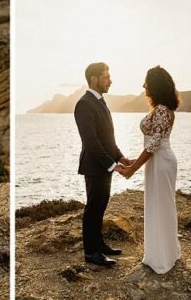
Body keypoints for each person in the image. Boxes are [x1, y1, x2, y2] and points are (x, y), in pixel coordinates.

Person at [119, 66, 182, 274]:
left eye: (146, 82)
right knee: (157, 205)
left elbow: (154, 143)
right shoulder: (160, 109)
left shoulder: (163, 109)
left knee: (162, 206)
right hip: (156, 160)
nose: (144, 86)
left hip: (161, 161)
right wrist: (134, 161)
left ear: (155, 85)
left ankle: (165, 257)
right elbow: (151, 144)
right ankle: (159, 253)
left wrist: (133, 168)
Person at [74, 62, 131, 267]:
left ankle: (99, 245)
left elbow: (107, 137)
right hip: (94, 166)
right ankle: (91, 253)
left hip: (104, 165)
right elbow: (91, 141)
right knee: (93, 208)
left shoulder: (100, 102)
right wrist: (111, 164)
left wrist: (120, 157)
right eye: (106, 77)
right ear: (94, 79)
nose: (110, 81)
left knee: (100, 207)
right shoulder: (84, 104)